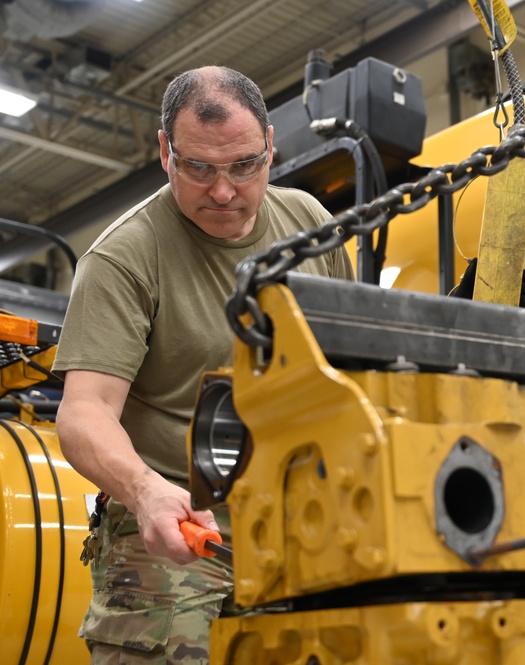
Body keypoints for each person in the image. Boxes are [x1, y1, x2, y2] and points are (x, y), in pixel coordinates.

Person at [53, 65, 354, 664]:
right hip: (174, 527)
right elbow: (84, 412)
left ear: (271, 145)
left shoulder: (311, 226)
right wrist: (144, 493)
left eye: (245, 165)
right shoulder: (124, 257)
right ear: (165, 152)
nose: (223, 191)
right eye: (198, 168)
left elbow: (349, 373)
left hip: (295, 521)